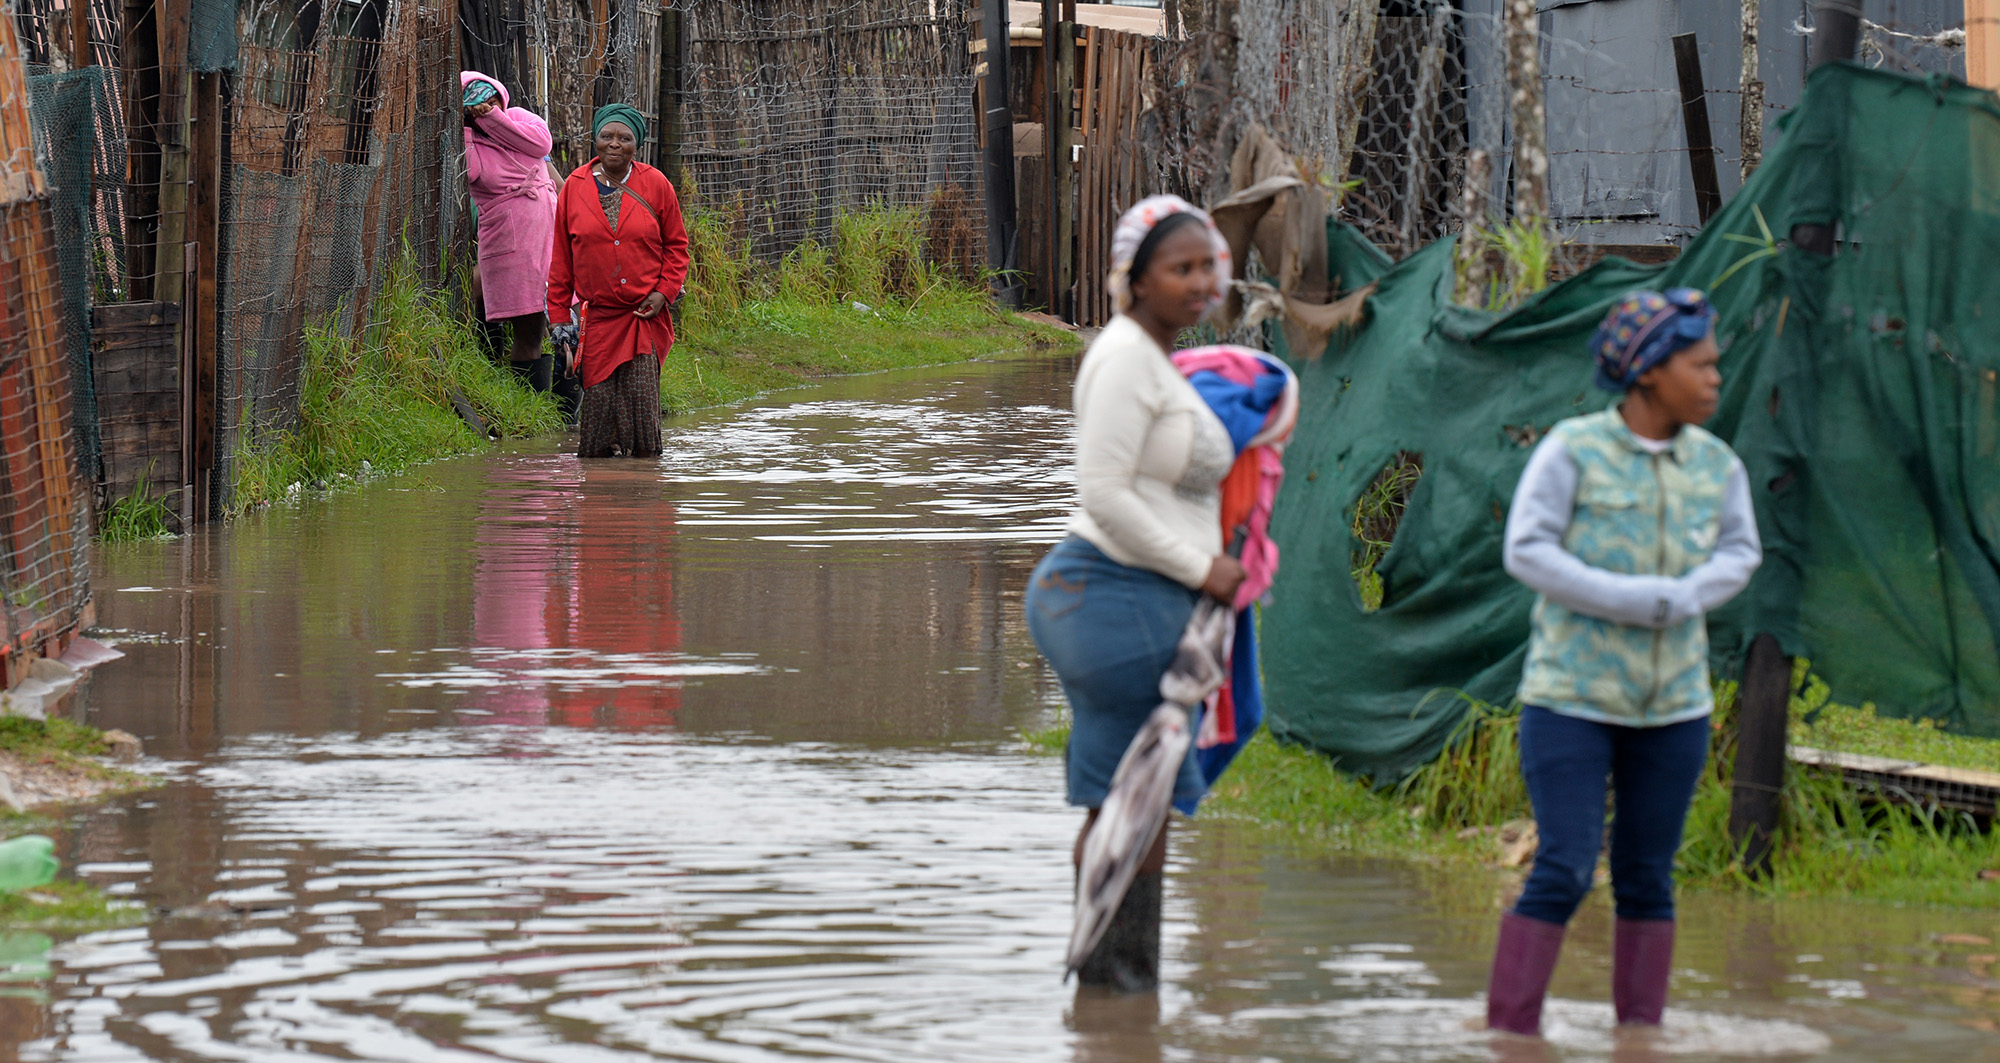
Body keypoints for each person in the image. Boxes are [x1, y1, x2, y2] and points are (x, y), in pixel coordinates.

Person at [1487, 288, 1762, 1036]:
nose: (1714, 378)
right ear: (1647, 372)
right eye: (1699, 365)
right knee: (1567, 865)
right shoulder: (1573, 450)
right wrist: (1631, 598)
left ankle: (1639, 1038)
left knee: (1647, 876)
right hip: (1571, 698)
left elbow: (1741, 551)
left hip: (1674, 705)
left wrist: (1682, 597)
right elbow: (1527, 548)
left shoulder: (1716, 464)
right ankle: (1509, 1034)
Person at [1023, 195, 1240, 993]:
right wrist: (1201, 567)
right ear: (1136, 279)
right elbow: (1106, 494)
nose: (1198, 281)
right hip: (1110, 592)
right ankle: (1116, 998)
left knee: (1132, 804)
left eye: (1207, 265)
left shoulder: (1159, 359)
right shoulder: (1122, 357)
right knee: (1134, 806)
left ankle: (1113, 997)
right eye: (1179, 268)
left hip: (1129, 599)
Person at [547, 104, 690, 459]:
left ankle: (643, 490)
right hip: (598, 321)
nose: (614, 144)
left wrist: (663, 293)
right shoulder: (574, 189)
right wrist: (560, 319)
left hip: (643, 317)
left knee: (642, 403)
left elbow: (677, 247)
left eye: (624, 138)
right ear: (594, 141)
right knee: (597, 407)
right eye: (606, 136)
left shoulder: (656, 184)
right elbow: (561, 260)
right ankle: (598, 498)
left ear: (636, 146)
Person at [460, 72, 559, 394]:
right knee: (527, 323)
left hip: (550, 235)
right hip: (510, 241)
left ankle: (564, 409)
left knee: (560, 318)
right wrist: (473, 128)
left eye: (493, 101)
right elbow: (473, 173)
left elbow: (539, 144)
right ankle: (528, 403)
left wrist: (494, 119)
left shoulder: (519, 119)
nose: (488, 109)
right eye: (479, 106)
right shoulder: (468, 141)